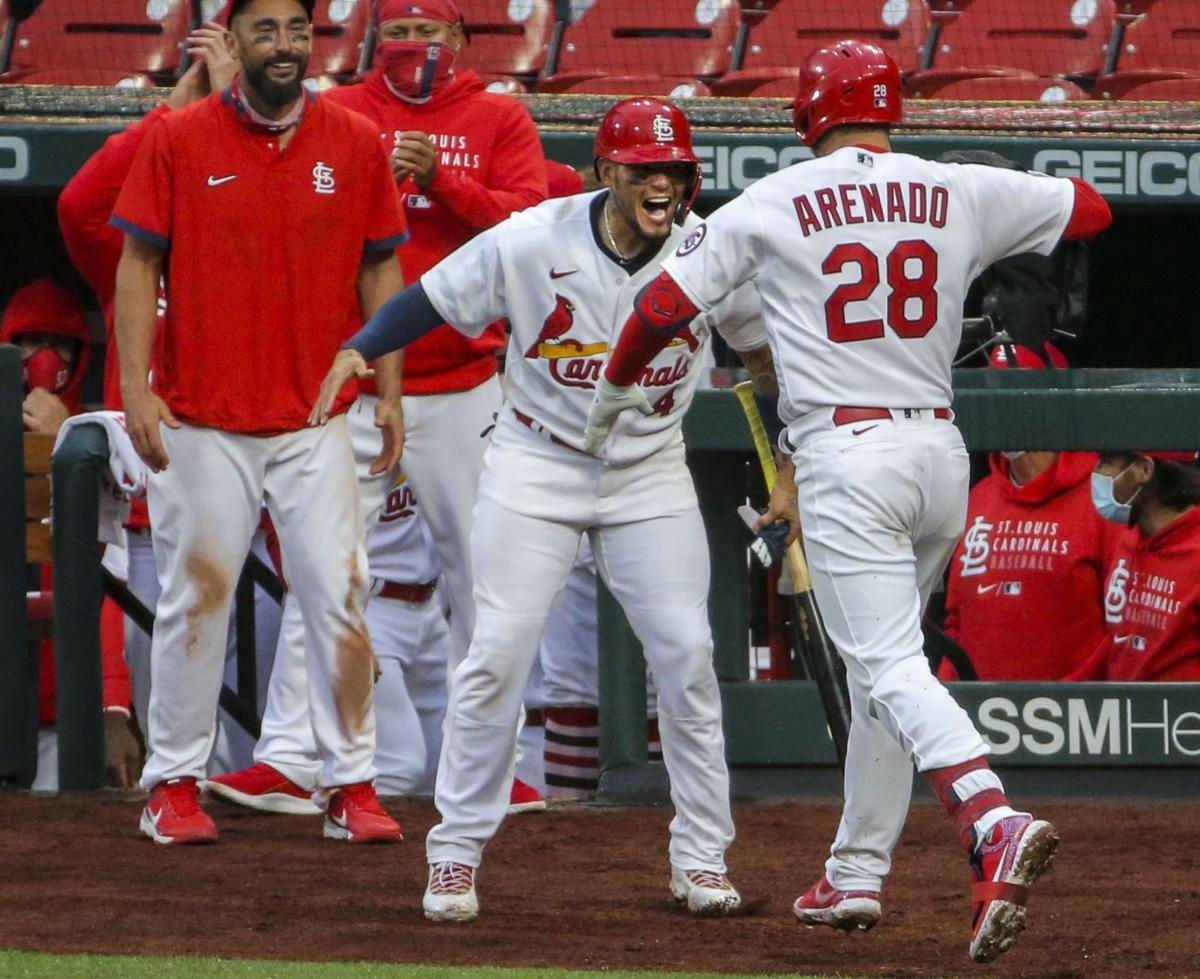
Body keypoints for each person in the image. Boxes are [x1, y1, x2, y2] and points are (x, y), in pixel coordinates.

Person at [584, 41, 1112, 962]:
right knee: (882, 673)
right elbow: (1094, 210)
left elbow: (661, 307)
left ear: (808, 113)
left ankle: (989, 817)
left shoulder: (774, 200)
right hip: (940, 453)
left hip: (847, 454)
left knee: (892, 666)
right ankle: (855, 872)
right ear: (889, 107)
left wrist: (617, 390)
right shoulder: (956, 184)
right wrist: (982, 212)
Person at [311, 97, 789, 921]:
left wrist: (785, 460)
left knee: (685, 655)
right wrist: (362, 347)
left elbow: (760, 356)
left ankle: (703, 856)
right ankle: (456, 853)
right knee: (496, 652)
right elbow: (431, 297)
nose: (662, 184)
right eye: (644, 169)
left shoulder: (711, 249)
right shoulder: (536, 237)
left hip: (647, 471)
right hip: (536, 461)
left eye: (674, 170)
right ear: (608, 171)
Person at [210, 0, 551, 813]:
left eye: (430, 34)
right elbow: (288, 211)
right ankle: (294, 756)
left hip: (466, 380)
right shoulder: (341, 113)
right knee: (326, 569)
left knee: (486, 580)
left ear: (460, 39)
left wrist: (444, 180)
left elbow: (534, 228)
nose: (413, 48)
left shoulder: (499, 118)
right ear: (372, 40)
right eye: (397, 33)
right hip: (358, 378)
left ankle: (493, 770)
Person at [110, 0, 408, 845]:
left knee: (340, 593)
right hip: (204, 412)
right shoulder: (178, 136)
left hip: (315, 414)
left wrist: (390, 387)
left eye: (297, 31)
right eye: (266, 29)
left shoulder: (353, 141)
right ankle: (172, 783)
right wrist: (137, 386)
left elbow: (380, 267)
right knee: (196, 596)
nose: (284, 46)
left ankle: (349, 784)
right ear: (231, 41)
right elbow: (138, 261)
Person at [2, 278, 141, 790]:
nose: (45, 357)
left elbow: (109, 578)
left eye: (60, 342)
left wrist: (111, 705)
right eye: (31, 340)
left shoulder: (98, 435)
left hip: (68, 709)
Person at [939, 342, 1132, 680]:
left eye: (1012, 392)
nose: (999, 406)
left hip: (1074, 720)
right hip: (978, 723)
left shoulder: (1103, 500)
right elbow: (957, 620)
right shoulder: (979, 498)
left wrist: (1063, 704)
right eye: (992, 393)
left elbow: (1124, 624)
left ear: (1053, 401)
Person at [1065, 451, 1200, 681]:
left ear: (1144, 470)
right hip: (1130, 711)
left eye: (1107, 462)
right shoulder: (1131, 540)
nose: (1095, 472)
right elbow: (1121, 639)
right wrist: (1062, 695)